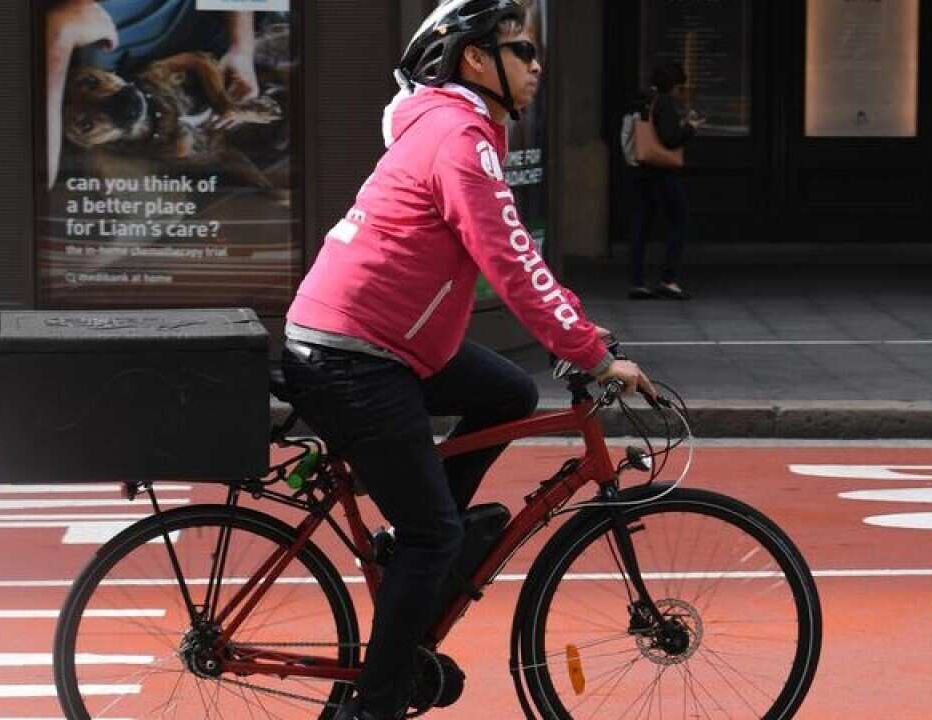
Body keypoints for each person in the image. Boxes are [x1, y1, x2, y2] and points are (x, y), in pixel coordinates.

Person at [279, 1, 654, 718]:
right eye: (523, 50)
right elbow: (511, 260)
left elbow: (514, 259)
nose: (538, 65)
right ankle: (375, 702)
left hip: (379, 342)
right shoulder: (459, 138)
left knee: (509, 394)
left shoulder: (457, 127)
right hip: (354, 356)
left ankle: (417, 551)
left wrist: (578, 330)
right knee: (433, 534)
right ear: (476, 60)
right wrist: (589, 354)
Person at [44, 0, 260, 188]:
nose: (106, 103)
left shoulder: (102, 44)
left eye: (91, 84)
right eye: (86, 124)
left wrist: (242, 46)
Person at [628, 61, 703, 301]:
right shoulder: (666, 103)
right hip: (662, 173)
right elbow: (669, 139)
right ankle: (668, 280)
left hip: (642, 170)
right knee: (679, 221)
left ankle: (637, 281)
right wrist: (690, 128)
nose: (680, 93)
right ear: (674, 86)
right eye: (680, 87)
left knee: (641, 226)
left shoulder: (646, 100)